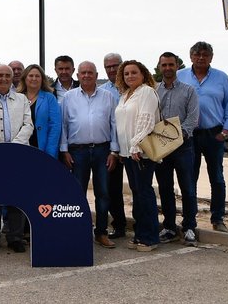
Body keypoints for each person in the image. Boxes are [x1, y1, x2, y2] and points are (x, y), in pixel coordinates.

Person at [177, 41, 228, 233]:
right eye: (197, 54)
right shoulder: (181, 76)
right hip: (189, 136)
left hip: (214, 134)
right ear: (191, 56)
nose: (201, 58)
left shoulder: (221, 78)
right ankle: (189, 221)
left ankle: (218, 218)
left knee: (217, 178)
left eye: (205, 54)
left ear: (211, 57)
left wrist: (225, 131)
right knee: (189, 178)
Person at [59, 61, 118, 249]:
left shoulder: (108, 96)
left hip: (103, 150)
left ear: (96, 74)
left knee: (103, 193)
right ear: (78, 75)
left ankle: (101, 232)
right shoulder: (68, 97)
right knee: (78, 193)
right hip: (78, 151)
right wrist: (64, 150)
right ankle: (79, 230)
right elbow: (64, 125)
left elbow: (114, 124)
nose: (86, 75)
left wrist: (114, 152)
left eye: (90, 72)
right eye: (83, 72)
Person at [114, 60, 161, 251]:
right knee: (137, 193)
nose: (130, 76)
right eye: (126, 73)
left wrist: (135, 146)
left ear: (143, 74)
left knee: (145, 193)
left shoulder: (147, 92)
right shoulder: (124, 95)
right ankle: (140, 233)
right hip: (127, 154)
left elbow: (147, 121)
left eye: (134, 72)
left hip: (141, 153)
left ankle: (150, 237)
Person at [156, 52, 200, 246]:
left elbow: (192, 118)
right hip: (161, 147)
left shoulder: (189, 91)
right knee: (165, 188)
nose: (167, 68)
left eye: (171, 64)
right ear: (159, 67)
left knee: (188, 188)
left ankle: (190, 227)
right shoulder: (154, 91)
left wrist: (177, 135)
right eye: (164, 65)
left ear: (177, 66)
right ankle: (170, 227)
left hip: (183, 146)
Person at [0, 64, 34, 253]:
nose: (4, 78)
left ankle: (15, 237)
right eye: (0, 75)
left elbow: (28, 124)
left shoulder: (22, 99)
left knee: (17, 198)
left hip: (18, 153)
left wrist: (14, 145)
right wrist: (0, 148)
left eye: (7, 75)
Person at [98, 53, 127, 239]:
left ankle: (142, 225)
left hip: (133, 146)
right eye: (108, 67)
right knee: (112, 189)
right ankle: (119, 225)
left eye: (115, 66)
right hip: (112, 147)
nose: (111, 70)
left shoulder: (133, 87)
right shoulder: (103, 91)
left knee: (139, 188)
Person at [17, 64, 61, 158]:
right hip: (21, 147)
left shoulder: (50, 98)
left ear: (42, 79)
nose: (34, 78)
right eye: (31, 75)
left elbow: (55, 126)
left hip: (43, 148)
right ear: (25, 78)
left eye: (37, 76)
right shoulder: (17, 98)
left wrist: (50, 152)